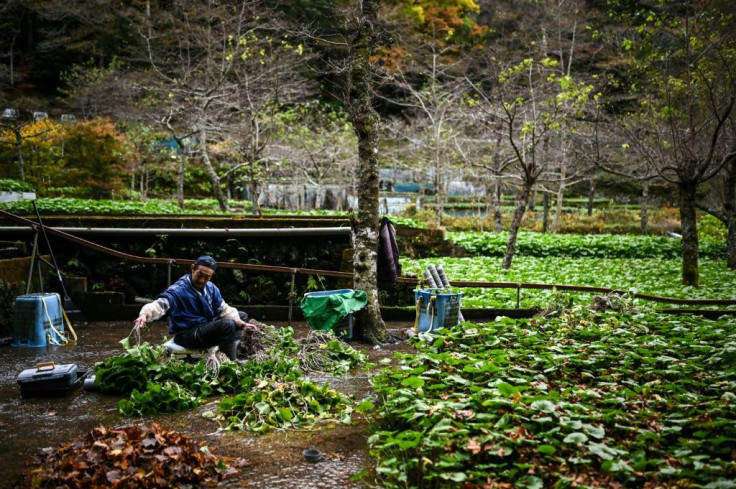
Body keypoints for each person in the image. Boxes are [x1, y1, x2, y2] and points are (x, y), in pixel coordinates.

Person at [133, 255, 256, 364]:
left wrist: (239, 322)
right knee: (228, 325)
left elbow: (223, 309)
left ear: (211, 276)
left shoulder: (211, 288)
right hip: (188, 334)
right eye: (199, 275)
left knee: (241, 316)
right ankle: (231, 362)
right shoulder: (178, 290)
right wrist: (145, 314)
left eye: (207, 277)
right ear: (193, 268)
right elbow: (161, 304)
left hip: (204, 326)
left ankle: (233, 351)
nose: (202, 280)